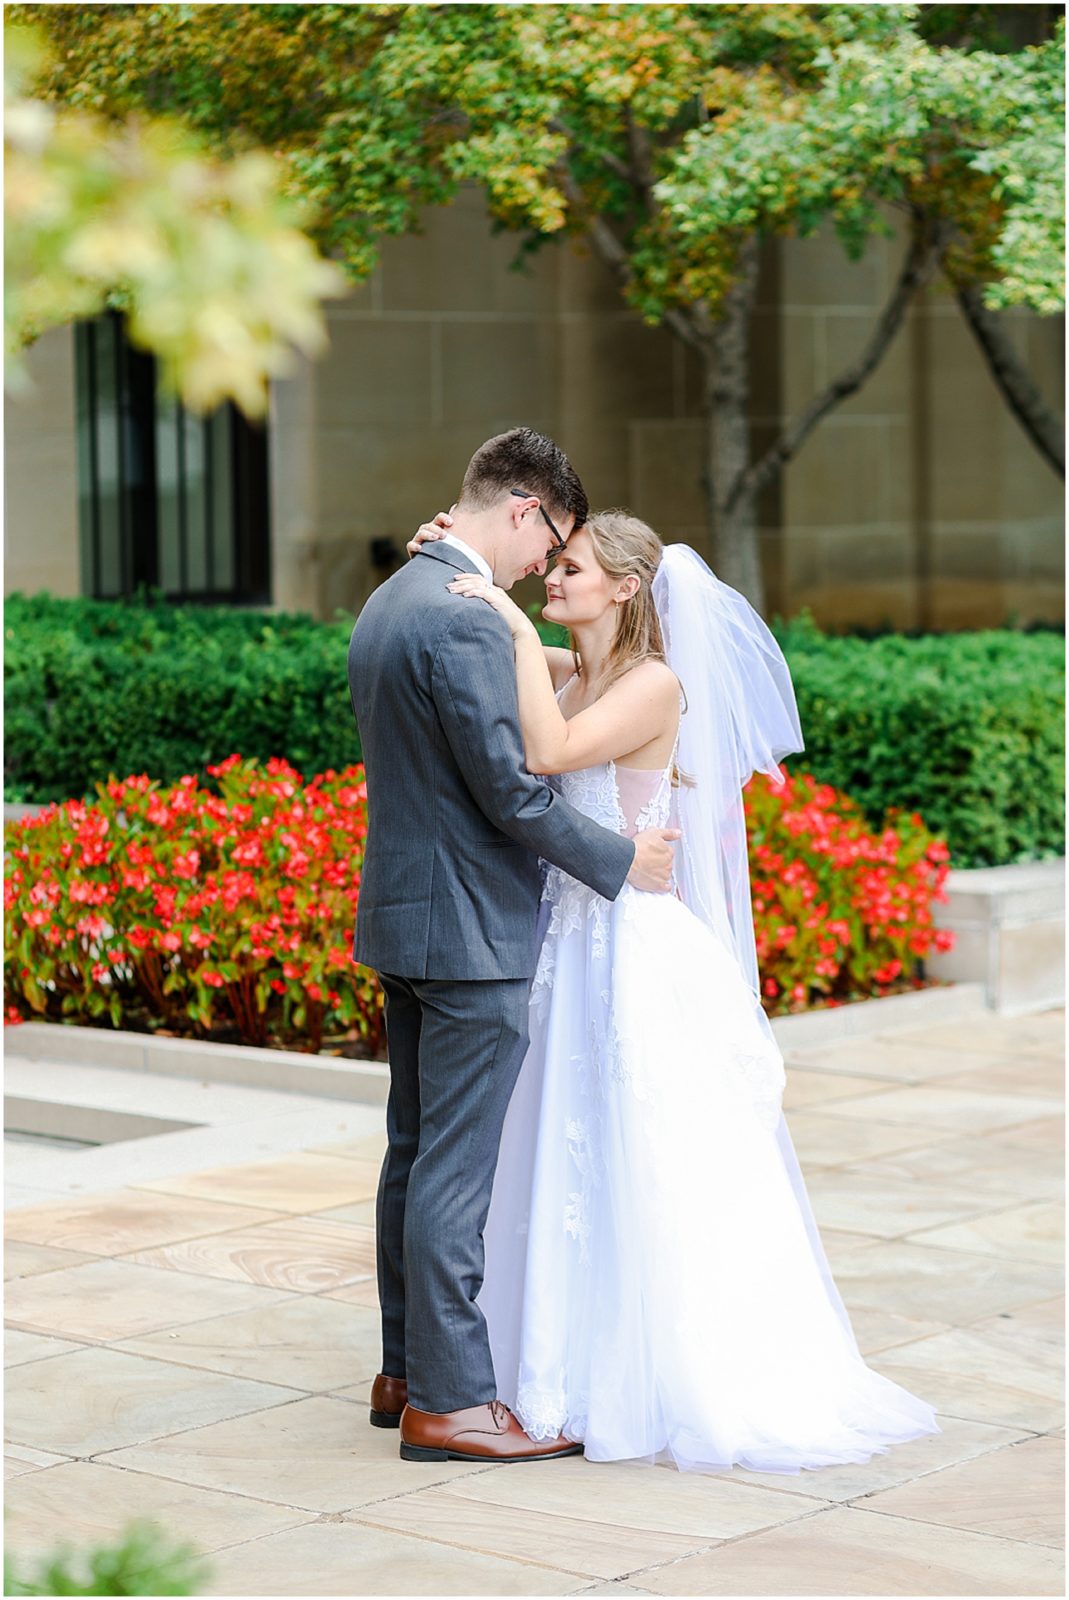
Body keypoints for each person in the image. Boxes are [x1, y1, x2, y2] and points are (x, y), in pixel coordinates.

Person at [411, 504, 939, 1474]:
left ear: (622, 586)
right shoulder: (589, 670)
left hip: (628, 949)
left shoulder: (652, 683)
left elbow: (550, 753)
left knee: (638, 1148)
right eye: (549, 566)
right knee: (564, 1147)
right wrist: (465, 557)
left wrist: (512, 622)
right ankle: (547, 1360)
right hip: (570, 941)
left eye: (568, 568)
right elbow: (529, 695)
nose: (550, 580)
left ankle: (640, 1369)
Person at [346, 431, 680, 1466]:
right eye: (551, 548)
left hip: (406, 916)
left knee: (411, 1154)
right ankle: (447, 1401)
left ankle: (405, 1366)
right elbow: (513, 786)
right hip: (469, 932)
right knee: (452, 1168)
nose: (542, 572)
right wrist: (622, 861)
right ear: (528, 510)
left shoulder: (400, 595)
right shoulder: (461, 616)